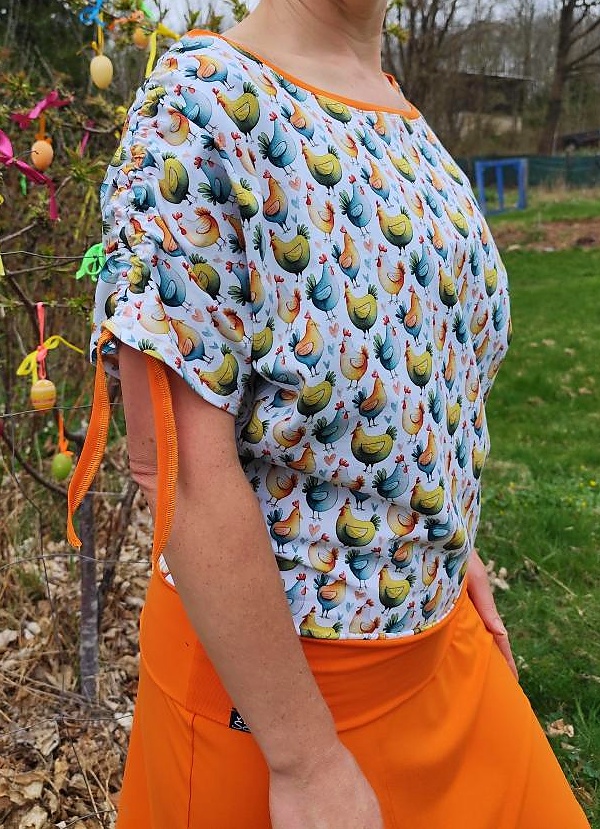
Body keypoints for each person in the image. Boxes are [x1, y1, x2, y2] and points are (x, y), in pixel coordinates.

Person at [67, 1, 591, 827]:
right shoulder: (199, 102)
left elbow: (416, 381)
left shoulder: (395, 108)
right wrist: (304, 759)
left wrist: (445, 538)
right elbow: (174, 467)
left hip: (437, 645)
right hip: (282, 703)